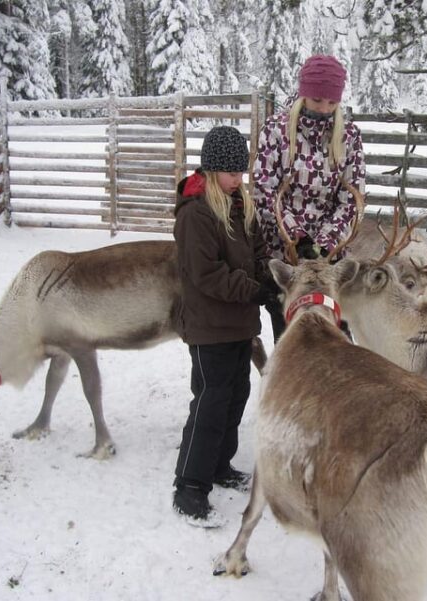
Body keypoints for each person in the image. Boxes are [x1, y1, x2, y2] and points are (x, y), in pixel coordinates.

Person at [172, 125, 275, 522]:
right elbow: (207, 274)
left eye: (241, 171)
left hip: (239, 325)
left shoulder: (238, 206)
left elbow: (258, 250)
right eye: (232, 172)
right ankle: (190, 484)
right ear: (212, 169)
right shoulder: (196, 214)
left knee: (235, 397)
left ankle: (218, 466)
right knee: (210, 403)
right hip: (209, 326)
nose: (239, 179)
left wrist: (268, 276)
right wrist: (252, 291)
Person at [252, 54, 366, 340]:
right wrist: (297, 236)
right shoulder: (276, 131)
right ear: (303, 95)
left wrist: (326, 243)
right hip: (287, 257)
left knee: (337, 338)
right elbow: (264, 191)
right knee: (291, 339)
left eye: (331, 102)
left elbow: (351, 200)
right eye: (317, 100)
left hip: (330, 264)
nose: (324, 108)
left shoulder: (348, 137)